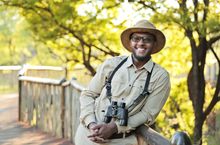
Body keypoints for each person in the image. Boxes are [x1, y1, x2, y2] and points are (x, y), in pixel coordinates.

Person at [74, 20, 171, 145]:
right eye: (136, 38)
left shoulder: (160, 76)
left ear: (154, 44)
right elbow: (88, 94)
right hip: (87, 137)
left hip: (122, 141)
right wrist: (92, 124)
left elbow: (148, 114)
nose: (141, 43)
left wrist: (114, 127)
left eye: (147, 39)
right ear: (130, 42)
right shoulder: (112, 64)